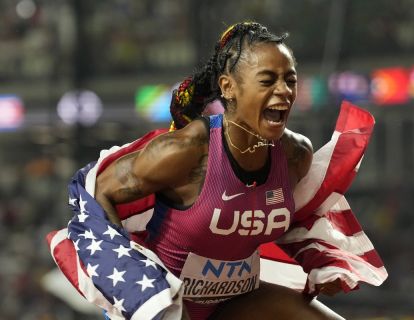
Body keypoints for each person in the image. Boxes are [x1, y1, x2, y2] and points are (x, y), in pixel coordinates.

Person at [47, 21, 387, 320]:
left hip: (239, 300)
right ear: (228, 88)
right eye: (268, 80)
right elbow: (95, 191)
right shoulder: (187, 150)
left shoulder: (295, 155)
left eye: (290, 80)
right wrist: (133, 281)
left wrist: (320, 259)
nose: (283, 91)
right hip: (170, 307)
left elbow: (295, 214)